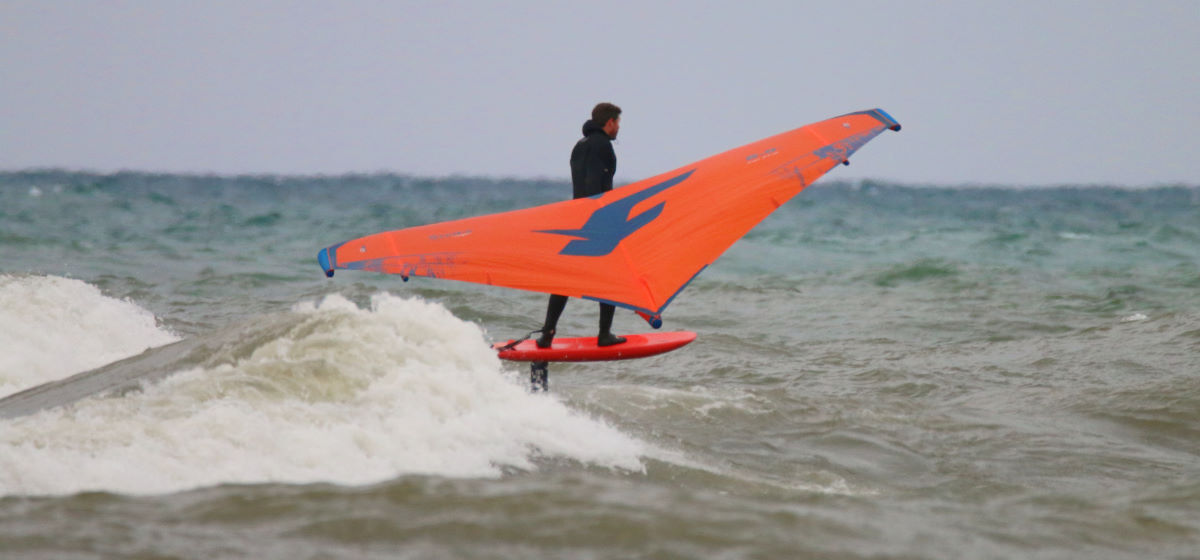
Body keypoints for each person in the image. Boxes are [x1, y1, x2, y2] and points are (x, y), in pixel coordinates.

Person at [536, 102, 627, 348]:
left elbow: (582, 184)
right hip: (595, 221)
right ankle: (604, 334)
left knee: (564, 280)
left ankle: (547, 334)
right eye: (617, 122)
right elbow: (595, 185)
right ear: (609, 122)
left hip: (576, 218)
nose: (619, 127)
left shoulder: (580, 145)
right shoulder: (602, 146)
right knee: (612, 278)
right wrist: (602, 220)